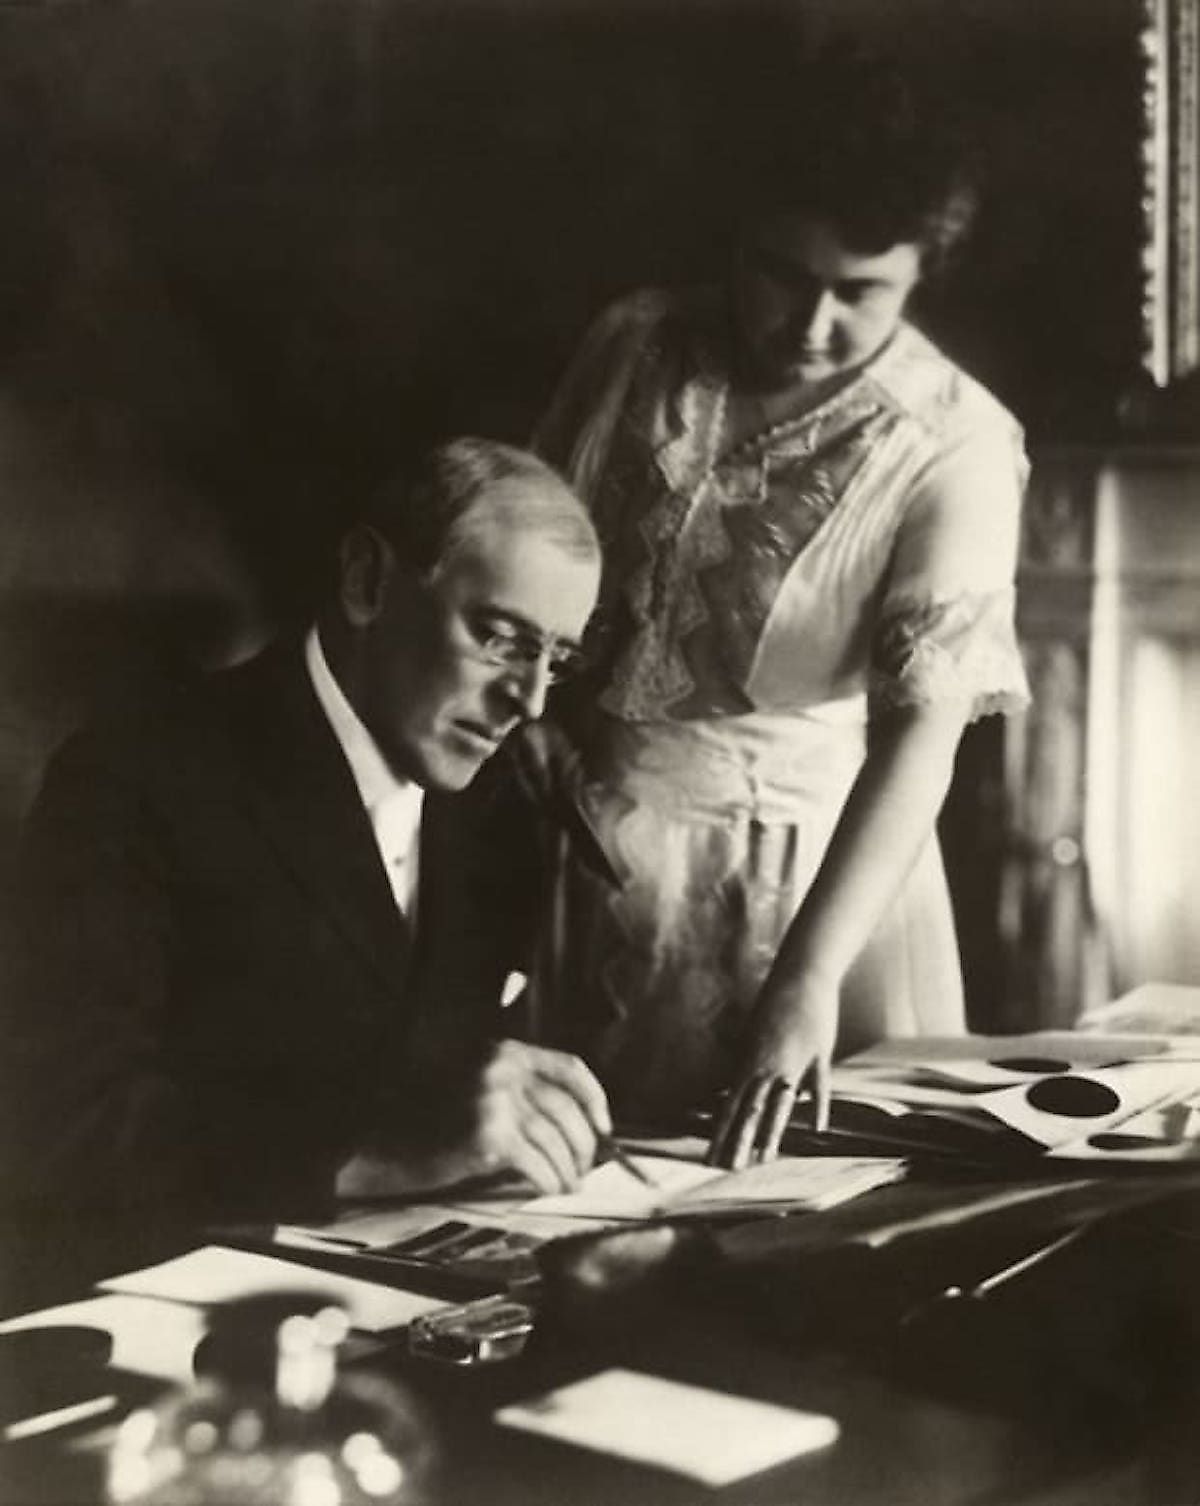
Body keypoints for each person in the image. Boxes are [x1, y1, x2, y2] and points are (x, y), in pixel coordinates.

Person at [526, 47, 1031, 1167]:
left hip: (807, 889)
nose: (809, 323)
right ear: (737, 236)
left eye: (859, 293)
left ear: (921, 272)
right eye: (780, 273)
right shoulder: (638, 343)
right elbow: (524, 555)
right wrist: (535, 729)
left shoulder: (956, 443)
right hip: (585, 851)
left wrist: (806, 986)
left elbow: (919, 744)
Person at [0, 437, 610, 1302]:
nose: (532, 699)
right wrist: (391, 1149)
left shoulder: (498, 797)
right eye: (500, 638)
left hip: (399, 1306)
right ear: (367, 581)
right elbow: (60, 1125)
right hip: (165, 1319)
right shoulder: (137, 776)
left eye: (560, 658)